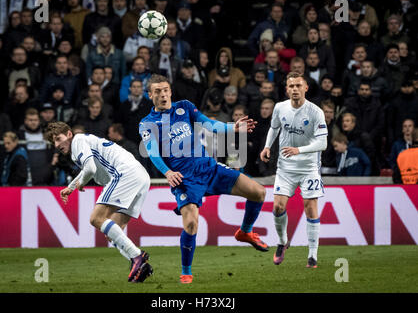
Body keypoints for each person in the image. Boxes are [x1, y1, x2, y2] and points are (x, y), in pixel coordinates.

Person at [139, 74, 268, 284]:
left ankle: (245, 232)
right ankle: (186, 271)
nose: (163, 94)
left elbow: (208, 124)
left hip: (209, 168)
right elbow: (153, 152)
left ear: (170, 91)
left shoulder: (185, 107)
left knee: (258, 192)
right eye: (157, 91)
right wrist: (167, 172)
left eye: (165, 90)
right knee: (191, 223)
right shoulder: (147, 123)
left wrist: (231, 128)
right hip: (185, 180)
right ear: (150, 95)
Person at [44, 121, 153, 283]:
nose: (57, 144)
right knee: (113, 234)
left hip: (125, 173)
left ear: (69, 134)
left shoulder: (78, 141)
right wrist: (71, 187)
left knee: (96, 219)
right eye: (54, 142)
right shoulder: (82, 144)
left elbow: (90, 169)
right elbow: (88, 168)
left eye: (58, 138)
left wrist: (81, 183)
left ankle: (137, 256)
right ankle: (139, 264)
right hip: (141, 176)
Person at [260, 72, 328, 269]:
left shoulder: (315, 112)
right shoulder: (280, 107)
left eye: (298, 85)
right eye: (291, 86)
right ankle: (282, 242)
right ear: (286, 89)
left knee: (310, 207)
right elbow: (274, 128)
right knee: (278, 207)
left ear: (306, 88)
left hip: (308, 167)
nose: (295, 89)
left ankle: (312, 255)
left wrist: (299, 150)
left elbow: (322, 143)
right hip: (286, 167)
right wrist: (266, 146)